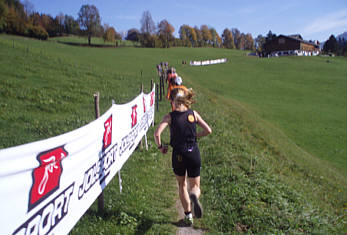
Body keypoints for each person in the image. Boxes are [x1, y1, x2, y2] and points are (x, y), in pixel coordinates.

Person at [154, 87, 212, 225]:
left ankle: (188, 215)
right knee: (195, 186)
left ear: (173, 102)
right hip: (194, 153)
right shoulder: (194, 114)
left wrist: (161, 147)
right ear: (185, 100)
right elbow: (208, 130)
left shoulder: (169, 117)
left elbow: (157, 134)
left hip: (178, 155)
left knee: (182, 184)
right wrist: (195, 135)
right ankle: (194, 196)